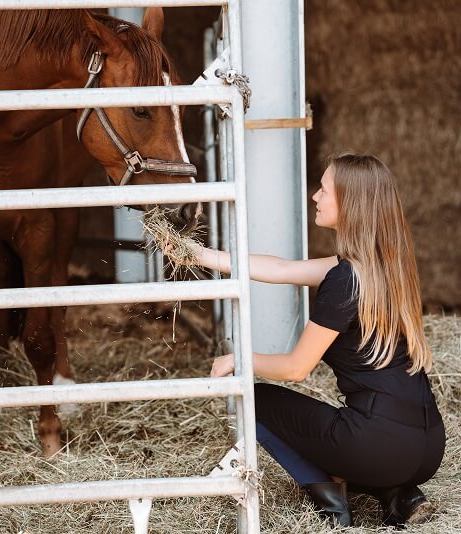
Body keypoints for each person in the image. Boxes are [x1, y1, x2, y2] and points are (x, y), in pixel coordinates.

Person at [168, 153, 445, 528]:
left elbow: (298, 368)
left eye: (325, 190)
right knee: (362, 434)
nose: (315, 196)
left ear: (350, 203)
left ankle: (331, 501)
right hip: (428, 447)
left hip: (380, 444)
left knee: (256, 401)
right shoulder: (387, 267)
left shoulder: (345, 281)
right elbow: (281, 269)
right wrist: (194, 253)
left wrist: (240, 360)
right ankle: (398, 493)